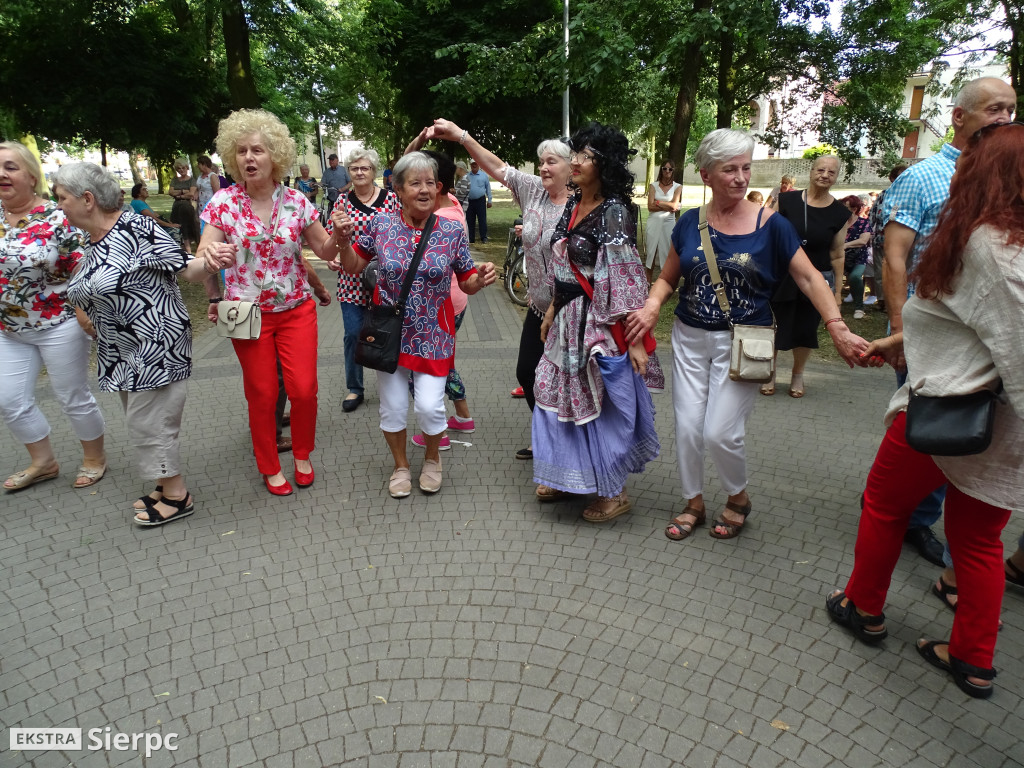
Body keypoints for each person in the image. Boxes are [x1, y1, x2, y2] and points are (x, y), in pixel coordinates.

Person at [826, 121, 1024, 700]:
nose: (957, 172)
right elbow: (974, 323)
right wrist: (900, 339)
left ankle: (863, 607)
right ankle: (972, 660)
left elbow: (1014, 340)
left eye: (967, 165)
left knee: (884, 506)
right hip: (989, 422)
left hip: (950, 415)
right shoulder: (1004, 241)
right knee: (979, 542)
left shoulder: (992, 247)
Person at [625, 129, 868, 542]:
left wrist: (837, 326)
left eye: (746, 168)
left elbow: (810, 278)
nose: (741, 177)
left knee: (720, 431)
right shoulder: (690, 222)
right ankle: (693, 501)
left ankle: (737, 496)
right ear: (706, 175)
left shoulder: (771, 225)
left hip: (743, 342)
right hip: (689, 336)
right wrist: (651, 306)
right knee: (688, 428)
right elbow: (668, 277)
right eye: (730, 169)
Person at [879, 76, 1016, 567]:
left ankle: (933, 529)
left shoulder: (1006, 176)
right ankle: (909, 520)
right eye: (994, 109)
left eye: (1011, 110)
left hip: (987, 345)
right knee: (929, 434)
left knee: (969, 440)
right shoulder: (923, 177)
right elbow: (894, 257)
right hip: (931, 338)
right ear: (959, 117)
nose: (1004, 119)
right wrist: (901, 332)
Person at [328, 152, 496, 497]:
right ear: (399, 190)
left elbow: (466, 281)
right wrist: (343, 243)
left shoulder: (451, 230)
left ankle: (432, 459)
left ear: (439, 188)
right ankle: (401, 465)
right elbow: (355, 266)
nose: (424, 189)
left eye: (430, 183)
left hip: (434, 333)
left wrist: (479, 280)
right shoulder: (380, 224)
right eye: (415, 183)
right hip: (389, 334)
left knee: (429, 406)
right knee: (392, 408)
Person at [55, 162, 214, 525]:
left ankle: (177, 495)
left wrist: (210, 262)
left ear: (88, 199)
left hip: (154, 343)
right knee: (142, 419)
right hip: (121, 349)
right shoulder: (91, 239)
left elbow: (186, 268)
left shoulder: (135, 227)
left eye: (62, 197)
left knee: (151, 422)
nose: (59, 205)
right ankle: (163, 483)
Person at [199, 108, 343, 497]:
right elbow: (200, 259)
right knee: (262, 393)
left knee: (303, 390)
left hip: (295, 310)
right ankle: (269, 465)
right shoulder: (223, 202)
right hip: (244, 313)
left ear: (274, 155)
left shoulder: (297, 201)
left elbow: (325, 249)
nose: (249, 158)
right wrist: (209, 261)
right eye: (242, 151)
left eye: (258, 150)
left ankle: (302, 454)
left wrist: (340, 238)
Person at [530, 122, 663, 522]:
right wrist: (552, 310)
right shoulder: (574, 202)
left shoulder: (614, 211)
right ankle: (566, 475)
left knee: (601, 403)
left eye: (584, 156)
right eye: (575, 153)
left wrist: (635, 340)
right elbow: (562, 264)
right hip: (566, 321)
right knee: (555, 394)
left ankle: (615, 492)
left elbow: (626, 279)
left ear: (605, 164)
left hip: (598, 324)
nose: (575, 161)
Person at [426, 119, 572, 466]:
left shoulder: (581, 201)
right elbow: (497, 166)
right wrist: (462, 137)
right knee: (527, 372)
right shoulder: (534, 189)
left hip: (570, 311)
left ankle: (565, 446)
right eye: (542, 161)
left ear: (571, 167)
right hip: (538, 307)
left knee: (566, 380)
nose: (543, 167)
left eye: (551, 161)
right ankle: (547, 434)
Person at [0, 141, 107, 492]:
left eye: (10, 167)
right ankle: (43, 462)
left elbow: (81, 266)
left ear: (32, 176)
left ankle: (94, 458)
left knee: (71, 395)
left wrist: (84, 310)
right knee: (9, 400)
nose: (2, 174)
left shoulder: (58, 216)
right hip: (8, 327)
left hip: (59, 322)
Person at [765, 155, 850, 398]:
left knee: (805, 329)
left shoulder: (839, 213)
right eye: (820, 170)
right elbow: (767, 235)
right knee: (772, 326)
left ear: (837, 177)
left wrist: (837, 292)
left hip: (816, 280)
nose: (825, 175)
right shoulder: (787, 200)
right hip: (781, 276)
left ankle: (797, 374)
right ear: (811, 171)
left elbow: (837, 255)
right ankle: (768, 372)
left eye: (831, 172)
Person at [326, 147, 401, 413]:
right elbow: (331, 235)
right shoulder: (342, 201)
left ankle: (394, 381)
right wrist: (333, 256)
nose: (359, 172)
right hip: (352, 280)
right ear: (348, 171)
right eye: (354, 168)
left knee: (390, 332)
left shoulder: (392, 199)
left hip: (386, 281)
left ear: (373, 171)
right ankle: (355, 387)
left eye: (364, 168)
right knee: (353, 334)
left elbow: (404, 232)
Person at [645, 160, 682, 282]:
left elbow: (674, 206)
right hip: (653, 222)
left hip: (668, 223)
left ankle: (664, 281)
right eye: (664, 168)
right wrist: (668, 205)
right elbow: (650, 207)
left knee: (666, 251)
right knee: (651, 251)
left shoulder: (677, 187)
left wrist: (657, 202)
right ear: (661, 170)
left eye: (670, 169)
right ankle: (647, 281)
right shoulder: (653, 186)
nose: (667, 171)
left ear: (673, 171)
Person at [840, 195, 872, 319]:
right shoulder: (839, 222)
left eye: (846, 207)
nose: (843, 209)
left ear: (854, 209)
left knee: (855, 276)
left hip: (859, 257)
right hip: (840, 257)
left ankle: (859, 307)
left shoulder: (863, 222)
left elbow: (863, 241)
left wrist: (845, 245)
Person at [168, 158, 200, 254]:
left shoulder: (192, 180)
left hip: (187, 205)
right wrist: (184, 191)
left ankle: (198, 246)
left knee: (191, 225)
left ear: (187, 168)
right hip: (177, 206)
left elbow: (191, 194)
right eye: (179, 168)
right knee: (180, 226)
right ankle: (187, 249)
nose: (181, 170)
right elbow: (170, 192)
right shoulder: (175, 180)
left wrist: (179, 194)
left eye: (183, 168)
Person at [465, 160, 493, 243]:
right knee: (470, 220)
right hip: (470, 201)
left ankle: (483, 237)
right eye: (472, 164)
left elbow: (488, 188)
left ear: (478, 164)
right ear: (470, 165)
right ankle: (471, 238)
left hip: (480, 200)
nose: (474, 165)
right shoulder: (467, 176)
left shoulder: (484, 176)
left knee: (482, 219)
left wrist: (489, 200)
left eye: (475, 164)